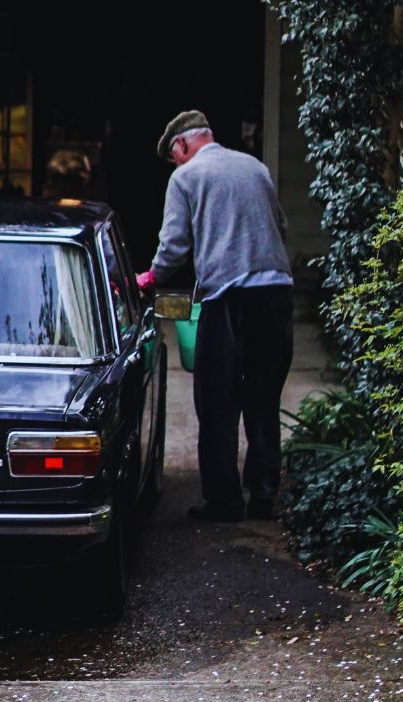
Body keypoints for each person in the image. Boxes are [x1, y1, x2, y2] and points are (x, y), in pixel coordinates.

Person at [136, 110, 293, 522]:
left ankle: (224, 500)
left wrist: (150, 277)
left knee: (217, 401)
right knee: (262, 398)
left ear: (182, 145)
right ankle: (262, 494)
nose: (176, 163)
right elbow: (281, 225)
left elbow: (174, 246)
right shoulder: (256, 167)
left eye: (174, 155)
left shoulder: (185, 178)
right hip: (276, 295)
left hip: (227, 299)